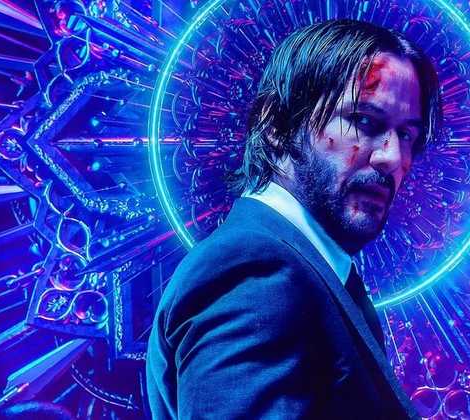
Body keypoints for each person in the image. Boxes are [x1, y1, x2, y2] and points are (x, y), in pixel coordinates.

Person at [146, 18, 442, 419]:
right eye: (364, 121)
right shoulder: (255, 273)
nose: (393, 157)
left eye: (406, 134)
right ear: (276, 126)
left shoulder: (300, 270)